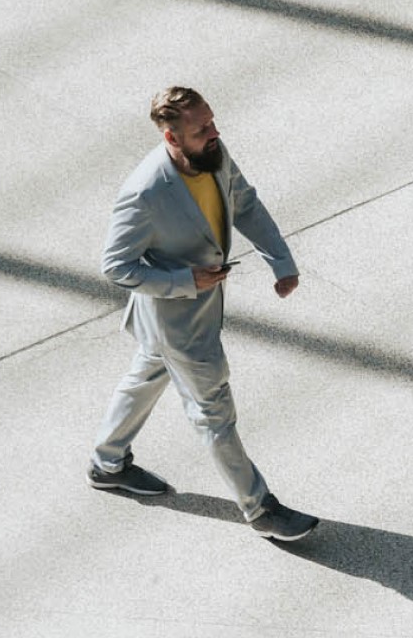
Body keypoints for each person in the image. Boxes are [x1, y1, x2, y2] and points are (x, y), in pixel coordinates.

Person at [88, 86, 318, 541]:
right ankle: (259, 508)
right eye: (201, 129)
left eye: (212, 122)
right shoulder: (145, 192)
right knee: (214, 413)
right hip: (179, 324)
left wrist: (281, 261)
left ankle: (106, 464)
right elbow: (116, 267)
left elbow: (244, 202)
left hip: (174, 319)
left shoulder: (212, 153)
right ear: (172, 138)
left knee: (145, 376)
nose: (214, 132)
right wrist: (185, 281)